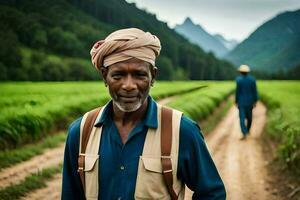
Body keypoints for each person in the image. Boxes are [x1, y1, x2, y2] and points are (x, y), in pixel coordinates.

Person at [61, 28, 226, 199]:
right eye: (118, 75)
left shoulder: (182, 131)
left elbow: (212, 194)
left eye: (139, 75)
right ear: (105, 76)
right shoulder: (80, 132)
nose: (129, 85)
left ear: (153, 76)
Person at [235, 64, 258, 140]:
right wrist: (255, 101)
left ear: (241, 72)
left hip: (241, 102)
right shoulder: (252, 80)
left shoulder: (238, 80)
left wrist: (236, 101)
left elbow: (237, 92)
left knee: (242, 118)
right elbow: (254, 91)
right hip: (250, 102)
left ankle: (244, 133)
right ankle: (247, 131)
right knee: (249, 118)